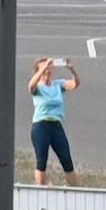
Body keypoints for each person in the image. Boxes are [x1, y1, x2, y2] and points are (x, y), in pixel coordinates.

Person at [28, 56, 80, 186]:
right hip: (41, 126)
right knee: (42, 160)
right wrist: (42, 69)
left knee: (66, 159)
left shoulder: (57, 85)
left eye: (50, 66)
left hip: (56, 126)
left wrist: (72, 70)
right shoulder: (38, 87)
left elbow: (75, 84)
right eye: (45, 67)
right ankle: (40, 189)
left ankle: (75, 190)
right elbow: (30, 86)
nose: (48, 69)